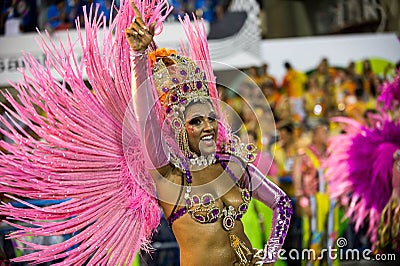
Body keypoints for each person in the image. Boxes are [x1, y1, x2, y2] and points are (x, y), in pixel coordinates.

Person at [0, 0, 292, 265]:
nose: (207, 127)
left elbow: (281, 204)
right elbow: (146, 122)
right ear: (179, 126)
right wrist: (138, 55)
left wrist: (269, 254)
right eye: (196, 121)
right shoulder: (169, 176)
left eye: (210, 119)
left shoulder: (232, 165)